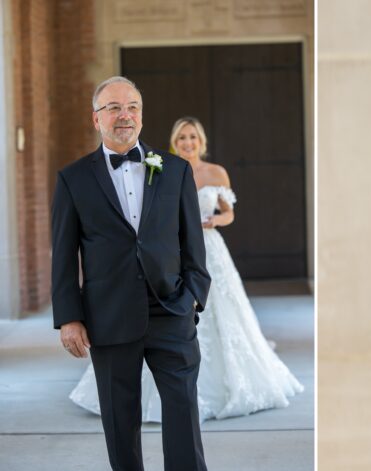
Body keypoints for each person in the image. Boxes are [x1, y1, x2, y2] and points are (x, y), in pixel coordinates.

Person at [70, 116, 304, 422]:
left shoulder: (216, 172)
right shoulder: (157, 165)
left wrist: (215, 221)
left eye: (192, 137)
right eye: (182, 138)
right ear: (174, 142)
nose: (187, 143)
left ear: (201, 141)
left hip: (210, 249)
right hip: (171, 252)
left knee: (222, 314)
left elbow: (229, 212)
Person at [53, 76, 211, 470]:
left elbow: (193, 243)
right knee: (120, 420)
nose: (124, 115)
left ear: (141, 115)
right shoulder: (72, 179)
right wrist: (69, 317)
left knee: (182, 414)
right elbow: (63, 253)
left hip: (171, 308)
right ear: (96, 119)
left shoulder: (174, 170)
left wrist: (193, 293)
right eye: (113, 108)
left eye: (132, 107)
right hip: (108, 316)